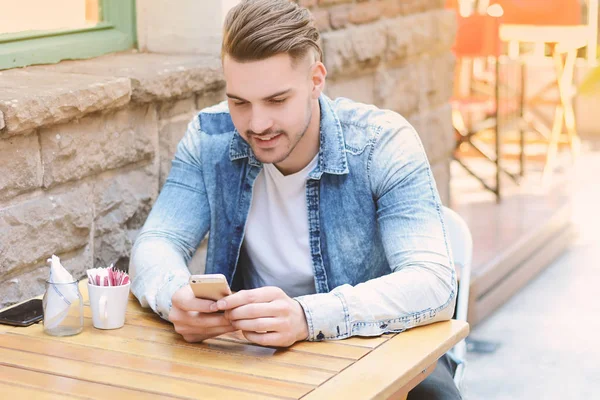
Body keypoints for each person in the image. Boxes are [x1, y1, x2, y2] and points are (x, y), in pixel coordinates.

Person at [129, 0, 460, 398]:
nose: (257, 123)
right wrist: (174, 296)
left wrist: (307, 316)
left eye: (277, 100)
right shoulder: (210, 138)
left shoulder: (381, 143)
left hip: (375, 343)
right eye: (239, 102)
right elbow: (156, 242)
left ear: (316, 80)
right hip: (258, 356)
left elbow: (434, 283)